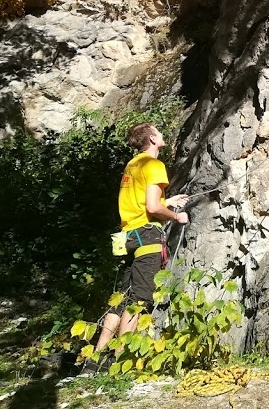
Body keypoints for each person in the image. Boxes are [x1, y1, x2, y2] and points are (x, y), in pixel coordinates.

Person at [89, 122, 189, 365]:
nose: (162, 133)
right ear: (153, 139)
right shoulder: (154, 165)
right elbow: (153, 207)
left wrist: (169, 200)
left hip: (129, 236)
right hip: (148, 235)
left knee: (122, 296)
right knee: (140, 299)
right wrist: (176, 216)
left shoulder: (133, 164)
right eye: (159, 131)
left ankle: (95, 360)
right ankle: (121, 360)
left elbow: (143, 200)